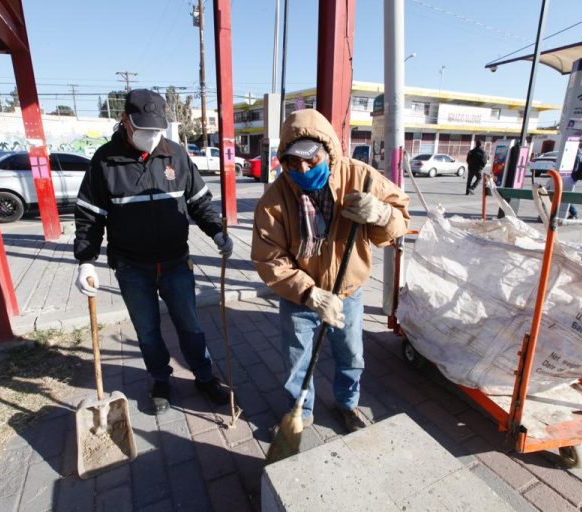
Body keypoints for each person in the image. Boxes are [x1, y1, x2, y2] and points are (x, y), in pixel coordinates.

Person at [73, 88, 234, 415]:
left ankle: (204, 376)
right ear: (125, 122)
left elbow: (199, 202)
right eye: (143, 129)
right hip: (132, 267)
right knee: (147, 330)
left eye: (155, 130)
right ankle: (160, 379)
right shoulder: (105, 161)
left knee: (190, 326)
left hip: (176, 263)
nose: (150, 136)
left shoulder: (176, 154)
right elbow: (90, 215)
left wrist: (217, 231)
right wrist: (86, 261)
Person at [251, 109, 410, 433]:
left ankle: (347, 405)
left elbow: (400, 219)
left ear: (329, 151)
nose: (303, 169)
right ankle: (300, 411)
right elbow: (269, 258)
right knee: (297, 362)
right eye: (294, 163)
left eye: (312, 160)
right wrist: (310, 294)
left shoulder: (360, 176)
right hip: (300, 299)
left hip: (348, 293)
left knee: (351, 356)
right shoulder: (275, 199)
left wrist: (382, 215)